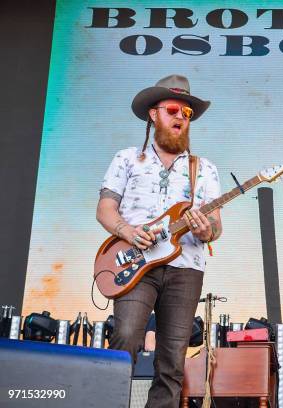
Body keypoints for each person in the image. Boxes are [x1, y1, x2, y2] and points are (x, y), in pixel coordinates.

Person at [96, 74, 222, 407]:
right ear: (154, 114)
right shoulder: (126, 158)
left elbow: (215, 227)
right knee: (126, 335)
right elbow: (105, 209)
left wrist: (204, 230)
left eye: (187, 113)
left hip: (185, 269)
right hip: (136, 264)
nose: (181, 116)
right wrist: (127, 231)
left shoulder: (204, 169)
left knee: (172, 358)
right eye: (173, 110)